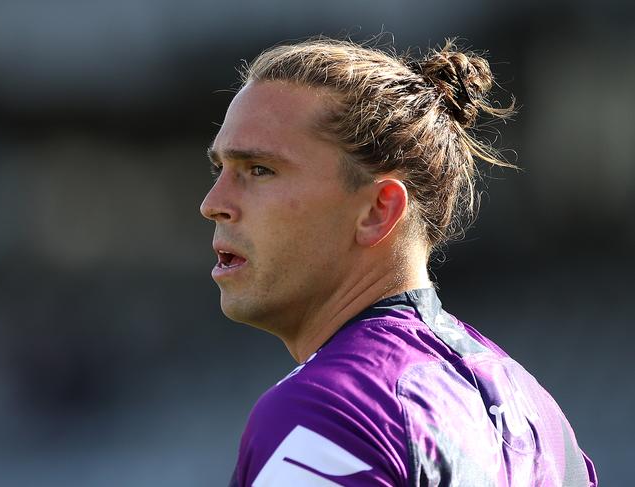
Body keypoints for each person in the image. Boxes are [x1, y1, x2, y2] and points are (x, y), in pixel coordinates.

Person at [200, 37, 598, 486]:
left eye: (259, 170)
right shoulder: (541, 417)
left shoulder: (332, 410)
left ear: (378, 210)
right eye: (220, 170)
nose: (213, 204)